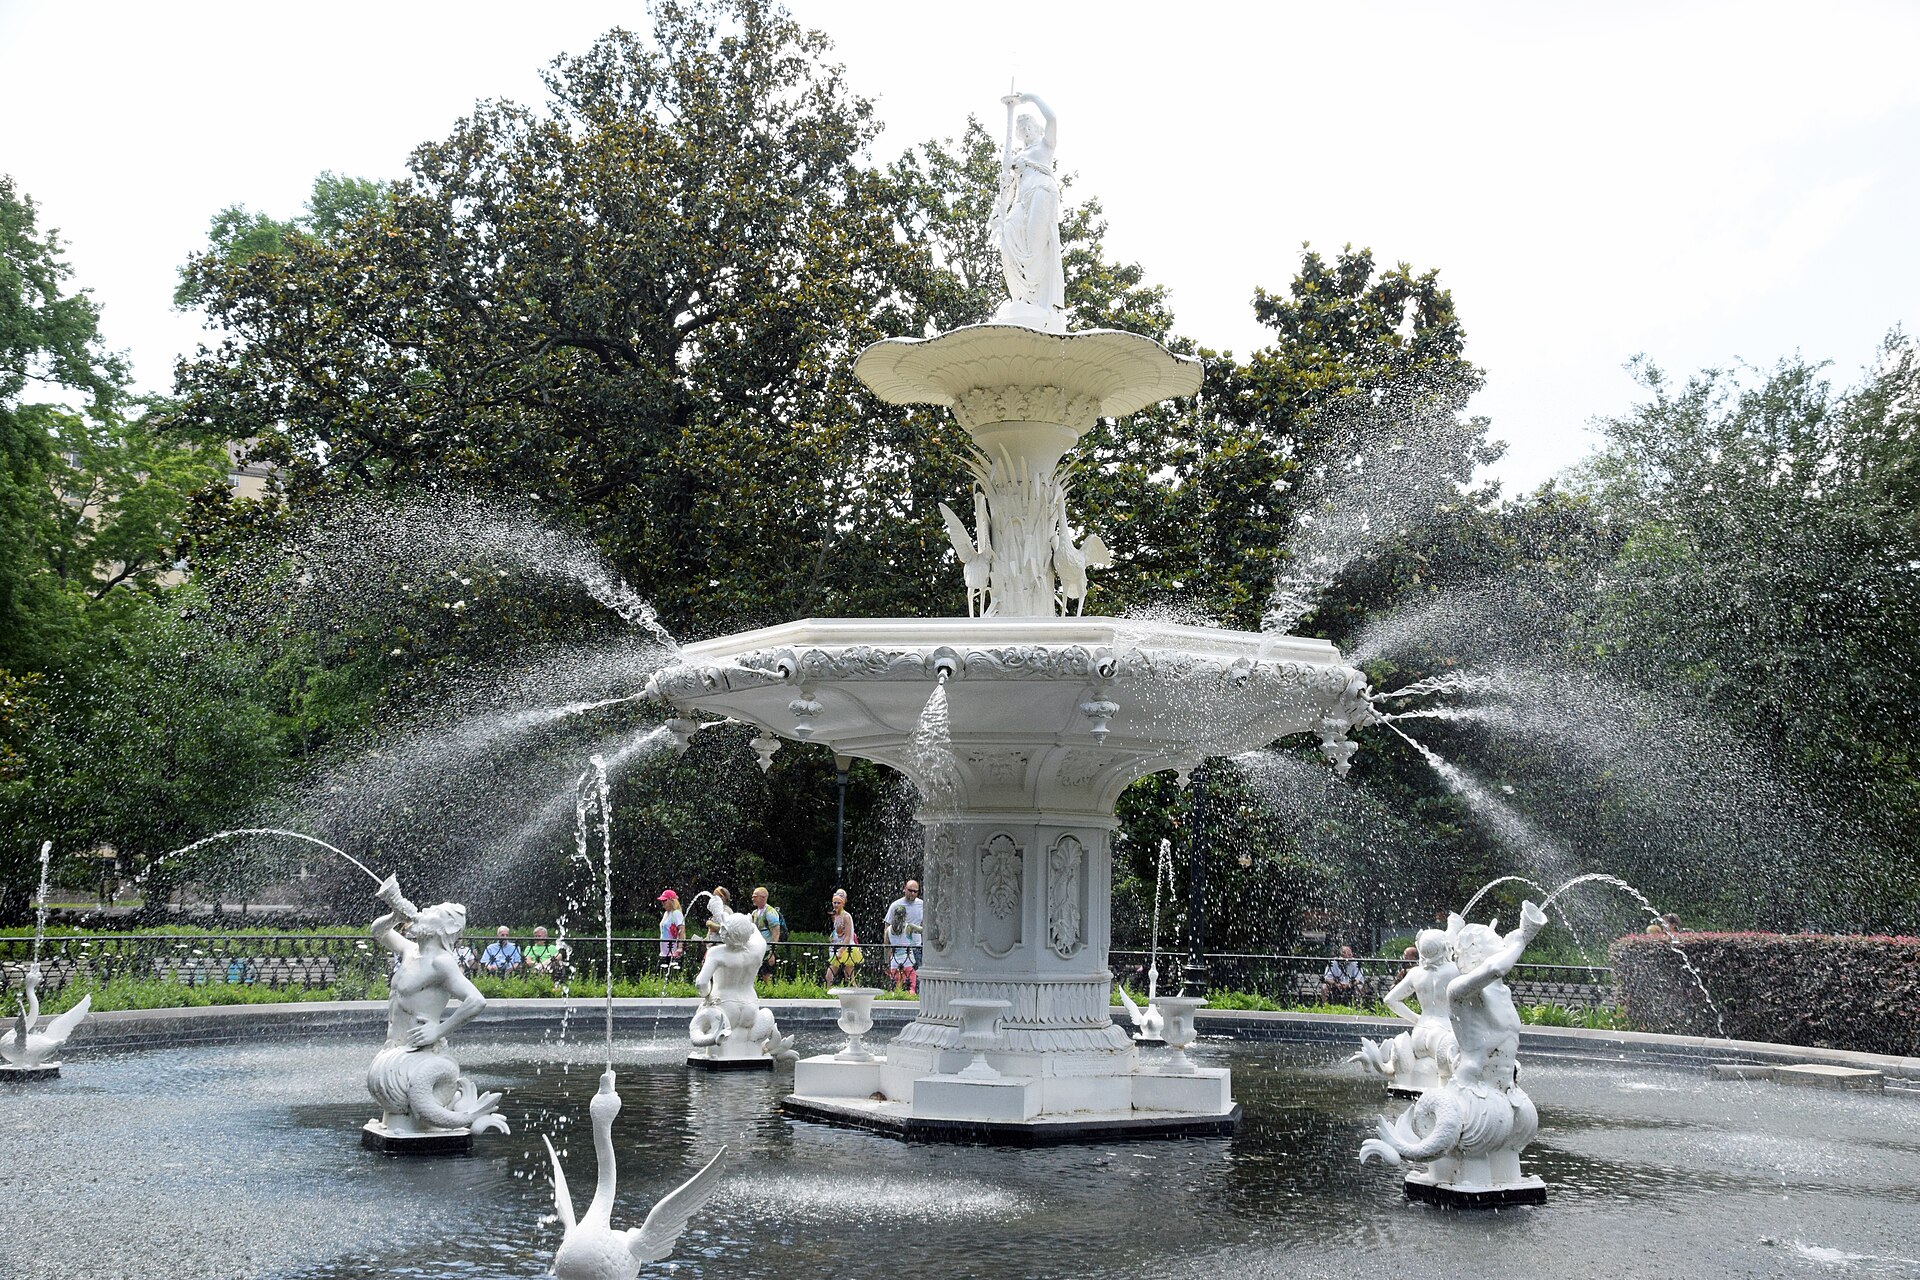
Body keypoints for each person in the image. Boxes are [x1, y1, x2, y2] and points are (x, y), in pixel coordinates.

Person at [990, 91, 1064, 322]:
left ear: (1038, 129)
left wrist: (1031, 97)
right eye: (1022, 130)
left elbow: (1052, 118)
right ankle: (1021, 296)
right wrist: (1000, 207)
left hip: (1042, 193)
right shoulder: (1017, 157)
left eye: (1029, 126)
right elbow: (1009, 189)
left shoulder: (1045, 146)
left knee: (1034, 247)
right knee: (1007, 236)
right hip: (1022, 200)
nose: (1025, 130)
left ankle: (1038, 302)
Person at [883, 879, 924, 994]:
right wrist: (888, 950)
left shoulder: (922, 904)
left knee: (910, 979)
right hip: (901, 951)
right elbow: (886, 926)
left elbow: (925, 925)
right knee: (910, 980)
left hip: (916, 946)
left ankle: (912, 997)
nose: (912, 893)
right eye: (910, 890)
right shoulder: (895, 905)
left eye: (915, 891)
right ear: (904, 889)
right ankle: (913, 996)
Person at [825, 889, 861, 986]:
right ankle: (827, 994)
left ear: (843, 903)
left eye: (838, 903)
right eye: (834, 902)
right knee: (829, 976)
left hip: (846, 949)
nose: (836, 905)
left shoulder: (846, 916)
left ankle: (856, 995)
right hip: (838, 948)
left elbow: (848, 936)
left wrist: (841, 950)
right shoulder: (836, 915)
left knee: (849, 977)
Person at [750, 886, 785, 981]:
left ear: (763, 897)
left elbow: (776, 932)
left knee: (767, 973)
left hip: (767, 949)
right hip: (757, 949)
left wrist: (772, 952)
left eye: (755, 896)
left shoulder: (770, 913)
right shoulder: (754, 913)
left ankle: (769, 993)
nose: (753, 898)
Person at [658, 890, 686, 974]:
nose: (662, 903)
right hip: (664, 951)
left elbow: (682, 930)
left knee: (672, 974)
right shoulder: (666, 913)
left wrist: (680, 947)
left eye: (664, 900)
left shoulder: (676, 913)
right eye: (662, 901)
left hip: (673, 951)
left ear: (671, 900)